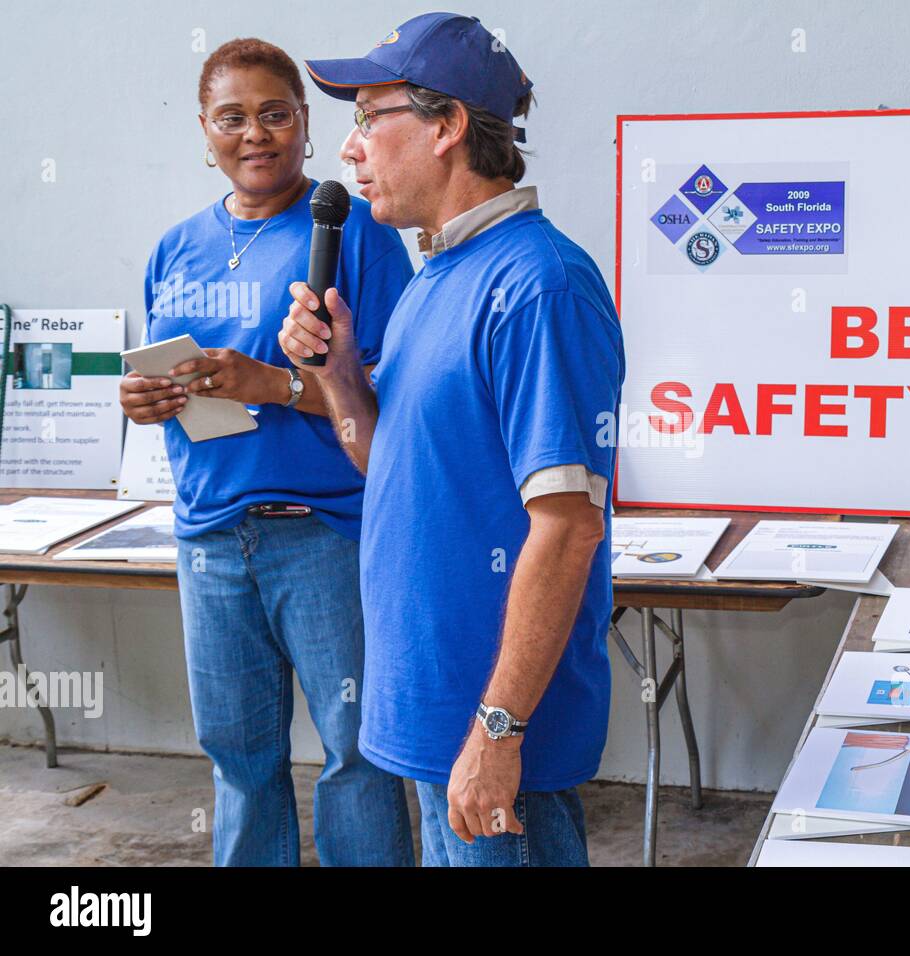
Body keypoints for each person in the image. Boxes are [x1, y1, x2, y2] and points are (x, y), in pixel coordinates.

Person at [282, 12, 625, 867]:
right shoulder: (437, 275)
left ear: (447, 126)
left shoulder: (540, 286)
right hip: (435, 720)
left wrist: (499, 731)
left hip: (494, 741)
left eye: (368, 117)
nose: (348, 150)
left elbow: (569, 525)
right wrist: (336, 370)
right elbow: (385, 461)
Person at [120, 37, 415, 866]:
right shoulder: (174, 249)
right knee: (239, 761)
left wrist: (272, 384)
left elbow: (398, 401)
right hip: (210, 537)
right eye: (233, 118)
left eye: (275, 114)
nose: (256, 134)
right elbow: (170, 381)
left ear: (305, 124)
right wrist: (143, 400)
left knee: (357, 755)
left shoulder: (356, 234)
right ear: (205, 132)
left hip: (323, 533)